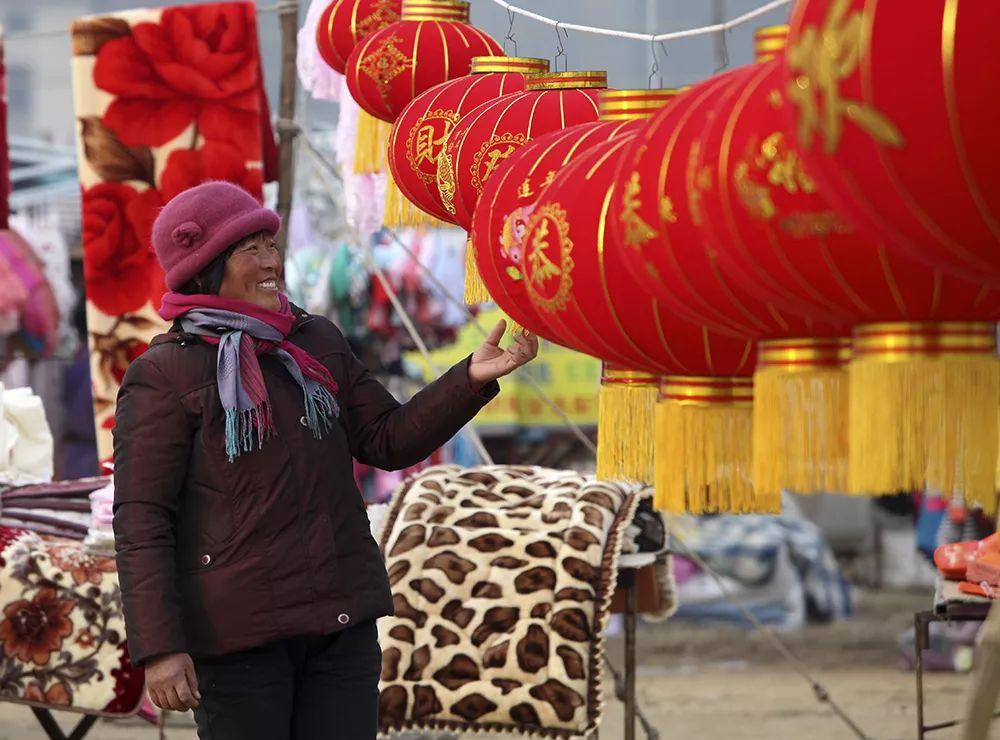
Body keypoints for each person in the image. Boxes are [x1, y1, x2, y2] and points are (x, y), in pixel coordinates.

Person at [112, 181, 538, 740]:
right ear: (203, 267)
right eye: (250, 249)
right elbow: (143, 520)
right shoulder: (166, 373)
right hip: (238, 638)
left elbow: (388, 439)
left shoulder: (314, 340)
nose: (271, 262)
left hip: (338, 623)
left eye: (271, 244)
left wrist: (469, 380)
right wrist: (162, 648)